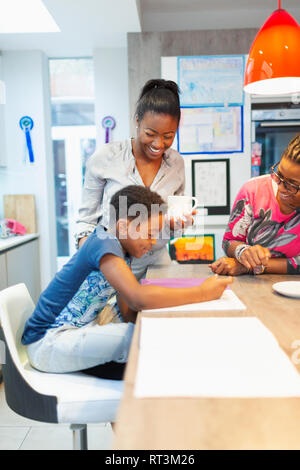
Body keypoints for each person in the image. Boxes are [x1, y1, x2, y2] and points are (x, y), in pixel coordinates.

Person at [22, 185, 233, 378]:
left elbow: (127, 309)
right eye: (150, 234)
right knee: (143, 342)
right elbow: (137, 298)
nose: (152, 243)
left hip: (72, 336)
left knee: (146, 338)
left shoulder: (123, 252)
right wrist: (203, 293)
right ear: (123, 227)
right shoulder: (103, 244)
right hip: (47, 342)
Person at [75, 78, 193, 280]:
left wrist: (177, 224)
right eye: (151, 133)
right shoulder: (106, 158)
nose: (159, 143)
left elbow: (171, 226)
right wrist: (97, 261)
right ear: (137, 120)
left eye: (168, 135)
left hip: (156, 263)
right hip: (110, 263)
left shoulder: (176, 163)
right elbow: (85, 224)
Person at [210, 134, 300, 276]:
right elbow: (229, 241)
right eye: (279, 175)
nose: (281, 188)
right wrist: (243, 252)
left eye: (292, 185)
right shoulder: (253, 190)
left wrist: (250, 267)